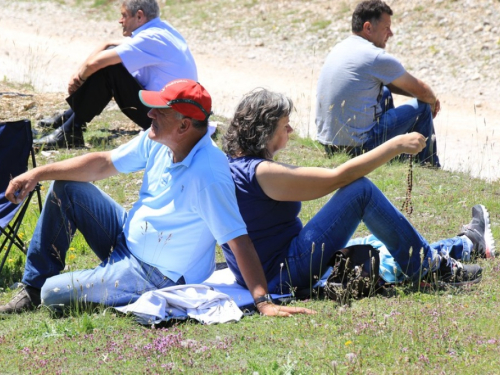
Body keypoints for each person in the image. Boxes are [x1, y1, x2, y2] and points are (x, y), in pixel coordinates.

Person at [0, 80, 313, 318]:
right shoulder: (160, 139)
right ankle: (31, 285)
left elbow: (238, 240)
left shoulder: (209, 173)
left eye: (158, 110)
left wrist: (262, 301)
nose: (149, 113)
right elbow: (104, 163)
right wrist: (38, 173)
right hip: (126, 240)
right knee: (65, 187)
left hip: (154, 275)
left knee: (54, 294)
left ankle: (53, 288)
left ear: (183, 125)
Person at [222, 88, 494, 296]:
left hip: (267, 271)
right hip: (283, 272)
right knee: (359, 190)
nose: (291, 130)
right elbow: (339, 177)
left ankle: (467, 243)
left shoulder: (230, 166)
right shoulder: (260, 173)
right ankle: (429, 269)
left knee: (379, 243)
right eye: (285, 125)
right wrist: (395, 145)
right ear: (265, 130)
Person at [35, 0, 198, 149]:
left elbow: (96, 63)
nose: (120, 21)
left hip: (168, 118)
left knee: (109, 69)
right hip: (175, 111)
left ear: (139, 16)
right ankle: (67, 121)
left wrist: (78, 79)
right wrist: (83, 68)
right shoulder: (162, 30)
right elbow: (109, 46)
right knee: (110, 60)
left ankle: (71, 131)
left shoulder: (150, 38)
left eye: (124, 15)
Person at [316, 0, 440, 166]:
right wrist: (432, 101)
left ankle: (394, 155)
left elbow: (392, 85)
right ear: (368, 28)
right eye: (386, 28)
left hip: (329, 145)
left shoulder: (341, 47)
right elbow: (423, 92)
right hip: (359, 148)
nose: (391, 33)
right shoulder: (374, 56)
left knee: (385, 93)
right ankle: (428, 164)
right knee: (422, 108)